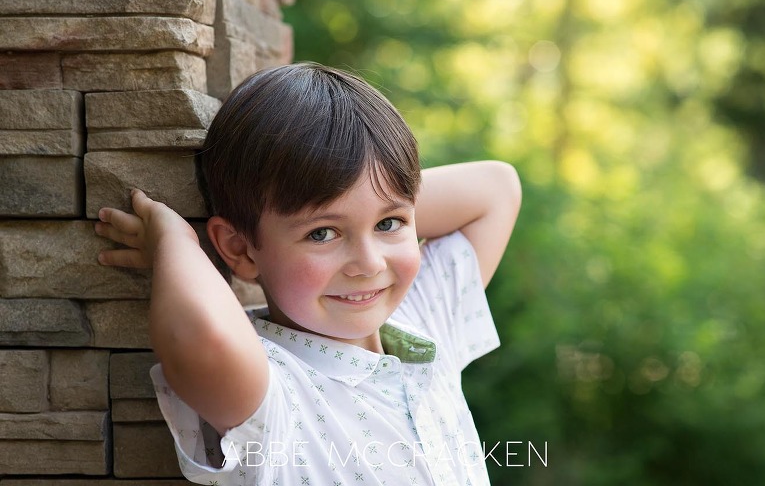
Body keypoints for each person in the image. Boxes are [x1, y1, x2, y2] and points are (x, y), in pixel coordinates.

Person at [95, 62, 521, 485]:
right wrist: (176, 241)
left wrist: (368, 196)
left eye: (389, 225)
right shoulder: (273, 390)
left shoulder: (422, 323)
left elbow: (497, 189)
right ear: (239, 248)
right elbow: (200, 339)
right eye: (322, 233)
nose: (370, 264)